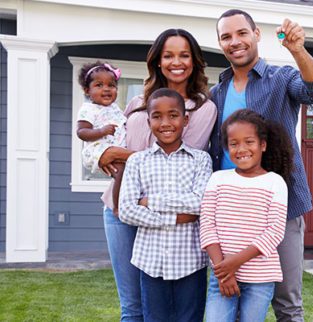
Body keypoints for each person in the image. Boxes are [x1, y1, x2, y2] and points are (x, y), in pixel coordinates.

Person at [209, 9, 313, 321]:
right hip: (229, 214)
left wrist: (298, 49)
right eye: (226, 37)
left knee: (287, 305)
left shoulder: (281, 79)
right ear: (221, 43)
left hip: (279, 210)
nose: (235, 42)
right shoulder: (216, 93)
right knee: (230, 302)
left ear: (256, 35)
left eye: (241, 33)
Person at [98, 28, 217, 322]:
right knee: (132, 307)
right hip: (120, 206)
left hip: (164, 208)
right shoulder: (137, 102)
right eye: (168, 55)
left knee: (168, 307)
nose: (176, 62)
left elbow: (179, 156)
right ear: (158, 61)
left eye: (184, 55)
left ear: (194, 62)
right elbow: (117, 146)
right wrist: (105, 152)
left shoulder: (202, 108)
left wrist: (122, 156)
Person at [119, 88, 211, 321]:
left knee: (190, 318)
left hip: (190, 261)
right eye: (157, 116)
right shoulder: (137, 161)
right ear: (148, 121)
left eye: (173, 115)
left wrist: (151, 201)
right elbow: (127, 210)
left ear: (185, 119)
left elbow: (199, 203)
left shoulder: (201, 159)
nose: (165, 122)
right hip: (150, 261)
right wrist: (176, 217)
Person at [201, 109, 292, 321]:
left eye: (249, 142)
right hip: (221, 275)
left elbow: (275, 232)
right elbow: (207, 225)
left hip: (260, 278)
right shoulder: (217, 179)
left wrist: (234, 264)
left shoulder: (275, 182)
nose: (241, 149)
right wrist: (223, 270)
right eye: (234, 144)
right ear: (226, 148)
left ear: (263, 145)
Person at [76, 61, 126, 215]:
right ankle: (117, 206)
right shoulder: (88, 109)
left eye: (111, 85)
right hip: (97, 149)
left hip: (112, 147)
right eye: (99, 85)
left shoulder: (114, 108)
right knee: (121, 172)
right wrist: (102, 131)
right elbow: (82, 132)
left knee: (125, 173)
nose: (106, 89)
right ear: (87, 90)